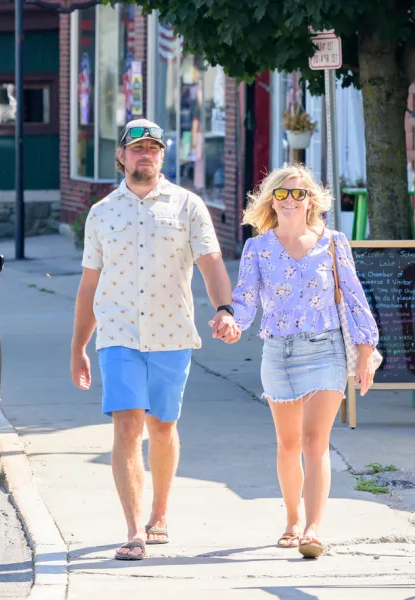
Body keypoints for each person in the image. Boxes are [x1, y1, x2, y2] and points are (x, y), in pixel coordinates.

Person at [70, 118, 239, 561]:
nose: (146, 154)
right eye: (137, 148)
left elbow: (211, 263)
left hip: (171, 334)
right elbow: (89, 287)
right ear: (121, 156)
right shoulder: (101, 213)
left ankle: (159, 513)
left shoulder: (188, 206)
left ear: (162, 156)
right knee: (126, 427)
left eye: (153, 148)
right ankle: (133, 530)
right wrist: (78, 349)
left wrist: (225, 309)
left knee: (162, 428)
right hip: (118, 335)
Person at [222, 164, 380, 559]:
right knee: (288, 443)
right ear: (270, 200)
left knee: (315, 440)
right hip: (278, 349)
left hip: (325, 347)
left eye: (299, 193)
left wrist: (365, 349)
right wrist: (231, 321)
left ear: (312, 201)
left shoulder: (333, 242)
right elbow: (245, 298)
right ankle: (292, 520)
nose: (291, 200)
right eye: (282, 193)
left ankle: (313, 528)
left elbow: (355, 297)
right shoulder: (257, 247)